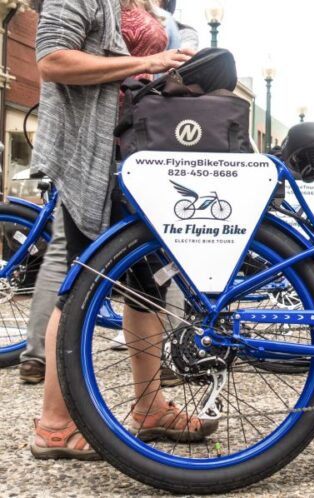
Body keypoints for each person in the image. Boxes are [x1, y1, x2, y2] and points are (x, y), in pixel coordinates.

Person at [29, 0, 212, 460]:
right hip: (92, 157)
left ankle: (149, 407)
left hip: (139, 157)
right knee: (79, 286)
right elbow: (52, 60)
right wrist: (146, 61)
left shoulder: (142, 3)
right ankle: (53, 426)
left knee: (145, 286)